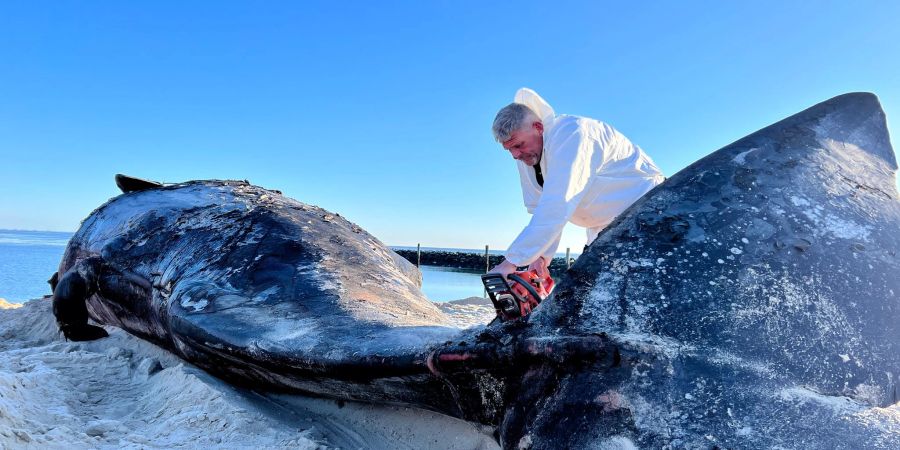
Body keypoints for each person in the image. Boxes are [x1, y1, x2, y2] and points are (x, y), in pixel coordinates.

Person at [488, 88, 665, 279]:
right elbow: (541, 210)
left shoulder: (572, 134)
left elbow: (558, 203)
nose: (515, 155)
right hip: (602, 227)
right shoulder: (527, 156)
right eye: (509, 150)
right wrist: (540, 256)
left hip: (648, 211)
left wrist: (511, 262)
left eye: (518, 145)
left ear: (538, 127)